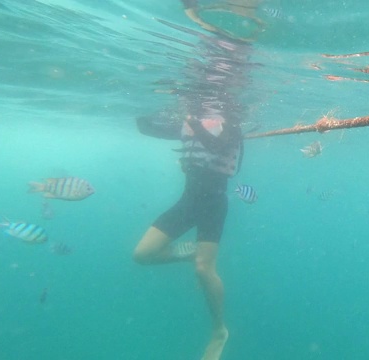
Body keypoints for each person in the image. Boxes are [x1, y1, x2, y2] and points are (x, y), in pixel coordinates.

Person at [132, 1, 259, 359]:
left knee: (205, 269)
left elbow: (218, 144)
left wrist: (192, 119)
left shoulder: (230, 121)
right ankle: (187, 255)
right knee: (142, 255)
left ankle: (219, 328)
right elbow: (148, 128)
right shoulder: (193, 119)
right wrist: (149, 105)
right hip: (188, 200)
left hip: (213, 202)